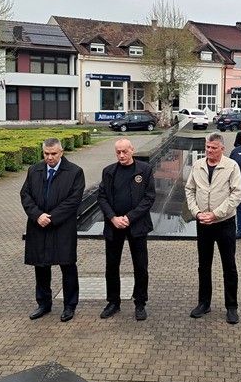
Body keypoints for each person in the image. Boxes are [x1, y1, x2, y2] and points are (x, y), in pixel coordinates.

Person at [21, 137, 84, 322]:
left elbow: (74, 200)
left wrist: (52, 217)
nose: (49, 158)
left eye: (53, 154)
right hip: (38, 225)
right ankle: (43, 303)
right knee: (41, 266)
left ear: (61, 152)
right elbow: (25, 195)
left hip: (62, 227)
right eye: (46, 154)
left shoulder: (75, 172)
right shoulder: (34, 170)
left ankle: (69, 305)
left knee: (67, 265)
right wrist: (37, 215)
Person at [185, 133, 241, 324]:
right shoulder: (198, 165)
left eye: (213, 148)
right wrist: (196, 212)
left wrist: (216, 214)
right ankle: (204, 303)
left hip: (224, 223)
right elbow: (190, 189)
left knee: (229, 265)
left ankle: (231, 306)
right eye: (207, 147)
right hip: (203, 223)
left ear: (222, 149)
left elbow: (236, 194)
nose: (209, 151)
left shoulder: (231, 166)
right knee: (204, 265)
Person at [97, 139, 156, 321]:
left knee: (140, 266)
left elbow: (149, 197)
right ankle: (113, 302)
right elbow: (102, 197)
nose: (121, 155)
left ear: (132, 150)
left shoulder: (145, 170)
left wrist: (129, 217)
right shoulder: (108, 171)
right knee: (112, 266)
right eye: (118, 152)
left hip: (137, 225)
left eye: (125, 151)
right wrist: (112, 217)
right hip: (114, 225)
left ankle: (140, 302)